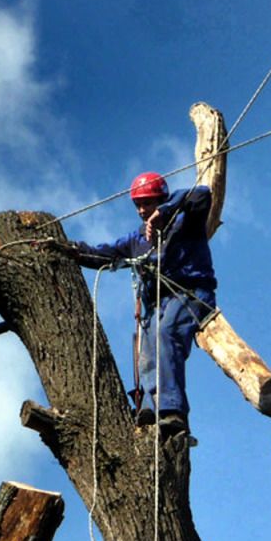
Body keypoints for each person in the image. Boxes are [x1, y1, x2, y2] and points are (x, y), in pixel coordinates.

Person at [62, 171, 217, 435]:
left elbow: (201, 194)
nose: (143, 210)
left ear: (162, 199)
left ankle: (172, 410)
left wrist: (165, 212)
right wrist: (69, 249)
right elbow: (103, 254)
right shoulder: (137, 241)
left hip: (191, 293)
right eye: (139, 205)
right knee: (145, 342)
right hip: (158, 305)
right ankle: (150, 405)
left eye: (148, 203)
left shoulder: (185, 221)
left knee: (165, 331)